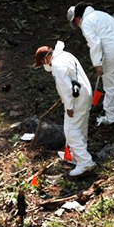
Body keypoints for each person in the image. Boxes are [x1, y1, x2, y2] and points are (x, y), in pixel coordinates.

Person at [35, 42, 97, 177]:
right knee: (80, 126)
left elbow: (66, 88)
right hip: (85, 93)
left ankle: (85, 162)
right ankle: (77, 156)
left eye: (42, 63)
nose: (45, 66)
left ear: (45, 58)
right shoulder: (66, 55)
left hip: (76, 99)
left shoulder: (57, 65)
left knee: (71, 131)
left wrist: (69, 107)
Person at [67, 2, 114, 126]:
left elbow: (95, 44)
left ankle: (113, 117)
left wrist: (97, 64)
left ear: (77, 19)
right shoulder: (99, 14)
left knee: (110, 81)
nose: (77, 25)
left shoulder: (86, 22)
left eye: (75, 23)